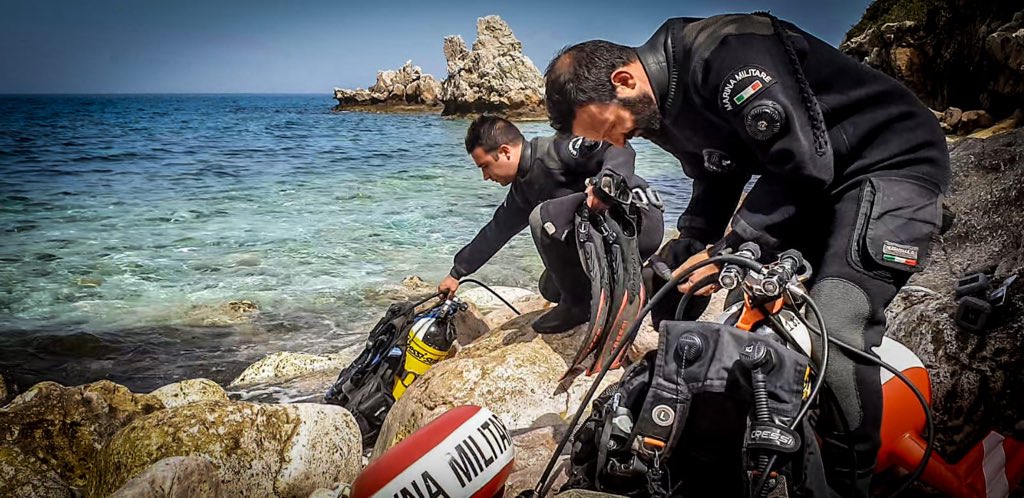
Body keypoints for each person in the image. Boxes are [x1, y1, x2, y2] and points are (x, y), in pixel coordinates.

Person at [542, 13, 950, 497]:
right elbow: (716, 174)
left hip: (890, 163)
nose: (618, 142)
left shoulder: (725, 50)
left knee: (836, 326)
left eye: (612, 128)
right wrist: (691, 245)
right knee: (697, 291)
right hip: (817, 184)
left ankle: (849, 482)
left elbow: (801, 160)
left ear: (624, 80)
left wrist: (731, 249)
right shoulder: (654, 110)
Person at [438, 115, 664, 334]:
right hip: (610, 234)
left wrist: (608, 183)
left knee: (541, 218)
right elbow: (496, 232)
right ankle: (643, 282)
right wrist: (457, 273)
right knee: (550, 287)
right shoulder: (523, 190)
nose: (485, 177)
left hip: (638, 220)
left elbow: (617, 143)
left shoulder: (557, 150)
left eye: (485, 166)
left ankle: (579, 307)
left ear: (505, 151)